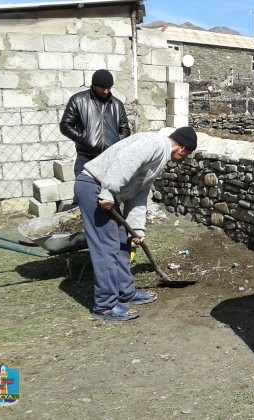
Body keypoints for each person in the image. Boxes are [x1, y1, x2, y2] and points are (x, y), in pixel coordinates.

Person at [74, 127, 197, 321]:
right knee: (107, 247)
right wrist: (107, 192)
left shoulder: (160, 158)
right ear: (182, 149)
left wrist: (137, 229)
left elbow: (139, 194)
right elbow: (124, 161)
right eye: (187, 154)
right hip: (94, 187)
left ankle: (125, 292)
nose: (185, 158)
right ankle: (105, 307)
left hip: (105, 192)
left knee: (122, 242)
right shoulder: (155, 144)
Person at [61, 69, 131, 176]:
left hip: (111, 159)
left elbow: (125, 129)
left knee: (109, 192)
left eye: (109, 88)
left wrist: (116, 141)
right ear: (94, 86)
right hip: (86, 158)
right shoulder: (78, 100)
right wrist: (83, 138)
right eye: (102, 88)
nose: (106, 91)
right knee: (84, 191)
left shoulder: (117, 105)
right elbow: (65, 125)